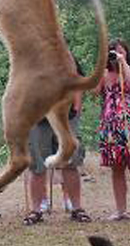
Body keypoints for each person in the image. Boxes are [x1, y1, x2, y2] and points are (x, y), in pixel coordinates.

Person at [95, 38, 130, 222]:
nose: (116, 54)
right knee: (116, 168)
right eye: (112, 51)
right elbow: (94, 91)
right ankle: (120, 210)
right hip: (110, 125)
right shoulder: (104, 73)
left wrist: (122, 63)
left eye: (120, 51)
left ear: (126, 52)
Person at [23, 84, 88, 225]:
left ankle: (77, 209)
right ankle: (36, 210)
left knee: (70, 163)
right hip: (38, 118)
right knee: (38, 165)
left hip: (66, 116)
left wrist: (76, 109)